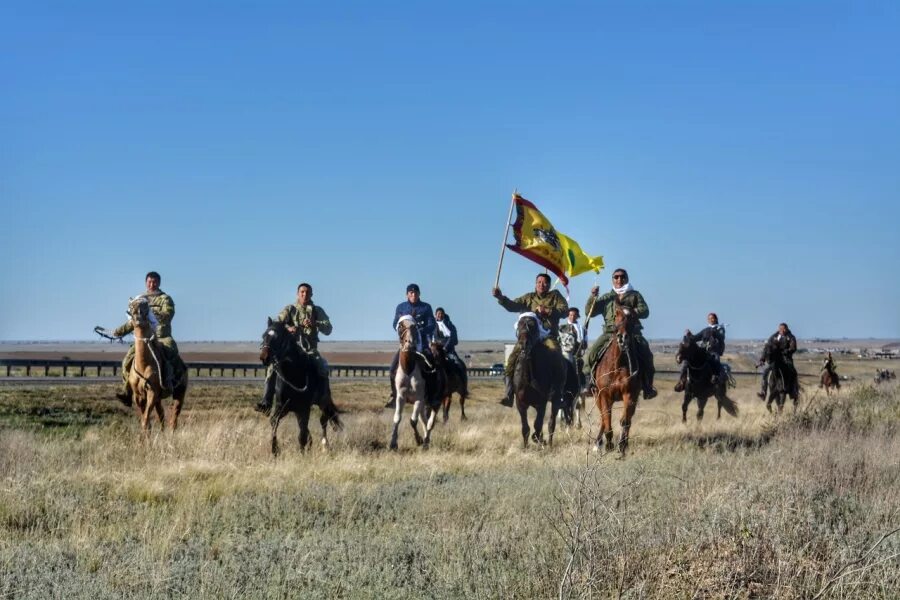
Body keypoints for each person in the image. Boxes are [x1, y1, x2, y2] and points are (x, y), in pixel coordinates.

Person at [492, 273, 569, 406]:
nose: (541, 285)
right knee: (512, 360)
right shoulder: (528, 298)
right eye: (538, 282)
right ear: (535, 284)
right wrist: (500, 297)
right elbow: (513, 306)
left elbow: (565, 311)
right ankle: (509, 394)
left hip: (548, 337)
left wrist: (547, 311)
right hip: (530, 337)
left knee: (557, 357)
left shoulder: (555, 296)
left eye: (544, 282)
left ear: (549, 285)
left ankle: (558, 393)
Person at [107, 271, 183, 406]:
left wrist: (150, 313)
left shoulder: (165, 299)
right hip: (143, 339)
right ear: (146, 283)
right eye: (149, 282)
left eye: (154, 282)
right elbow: (133, 322)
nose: (152, 284)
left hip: (162, 337)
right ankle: (127, 391)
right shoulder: (139, 299)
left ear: (159, 283)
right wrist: (117, 332)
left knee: (172, 353)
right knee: (127, 360)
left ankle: (173, 383)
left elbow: (168, 314)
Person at [256, 283, 333, 413]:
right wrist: (288, 328)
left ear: (311, 295)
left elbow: (329, 329)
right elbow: (276, 324)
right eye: (302, 292)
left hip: (309, 350)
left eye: (307, 292)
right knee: (272, 368)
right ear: (298, 294)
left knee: (322, 367)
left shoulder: (317, 311)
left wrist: (316, 323)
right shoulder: (290, 309)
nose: (305, 294)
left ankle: (324, 400)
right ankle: (266, 401)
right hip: (290, 350)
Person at [583, 268, 657, 399]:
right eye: (616, 277)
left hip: (632, 332)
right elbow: (590, 312)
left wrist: (632, 311)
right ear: (612, 280)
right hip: (610, 332)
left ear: (627, 279)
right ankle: (590, 384)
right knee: (592, 353)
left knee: (646, 352)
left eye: (622, 277)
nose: (619, 279)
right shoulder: (607, 297)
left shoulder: (635, 295)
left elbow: (645, 311)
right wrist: (592, 297)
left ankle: (647, 386)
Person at [386, 284, 436, 408]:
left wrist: (419, 330)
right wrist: (402, 330)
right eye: (411, 293)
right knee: (392, 369)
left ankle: (430, 396)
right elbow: (394, 324)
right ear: (407, 294)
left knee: (431, 366)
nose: (413, 295)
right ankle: (394, 395)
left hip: (421, 344)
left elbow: (432, 325)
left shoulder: (426, 307)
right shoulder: (401, 307)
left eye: (415, 293)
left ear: (419, 294)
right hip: (406, 345)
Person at [674, 312, 725, 392]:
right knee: (687, 361)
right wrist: (689, 334)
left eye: (712, 318)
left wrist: (715, 334)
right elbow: (695, 338)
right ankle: (682, 382)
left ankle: (716, 379)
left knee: (715, 360)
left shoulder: (720, 329)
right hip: (704, 351)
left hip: (714, 351)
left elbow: (721, 338)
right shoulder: (706, 330)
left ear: (716, 319)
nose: (710, 320)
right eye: (709, 318)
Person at [757, 322, 798, 399]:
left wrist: (785, 351)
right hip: (775, 360)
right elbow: (767, 348)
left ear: (786, 329)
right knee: (765, 372)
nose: (782, 330)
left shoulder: (791, 337)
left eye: (783, 329)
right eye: (780, 329)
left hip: (786, 359)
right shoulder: (774, 337)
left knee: (793, 372)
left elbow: (793, 348)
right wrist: (762, 359)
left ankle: (793, 390)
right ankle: (763, 392)